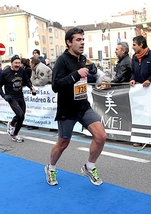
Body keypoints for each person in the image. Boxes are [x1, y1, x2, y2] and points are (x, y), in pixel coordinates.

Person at [45, 27, 107, 186]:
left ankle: (89, 166)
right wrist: (76, 74)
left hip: (83, 106)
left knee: (101, 136)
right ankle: (51, 168)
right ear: (68, 42)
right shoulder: (61, 60)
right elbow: (56, 86)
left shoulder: (83, 58)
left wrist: (97, 77)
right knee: (63, 143)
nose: (82, 43)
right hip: (67, 109)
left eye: (83, 40)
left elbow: (87, 76)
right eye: (78, 40)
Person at [0, 55, 37, 142]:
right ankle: (11, 125)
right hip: (11, 97)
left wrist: (31, 88)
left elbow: (27, 81)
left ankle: (15, 134)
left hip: (20, 96)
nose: (17, 65)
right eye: (15, 63)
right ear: (11, 63)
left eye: (19, 63)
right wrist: (4, 96)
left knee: (22, 117)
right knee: (20, 115)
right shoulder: (5, 73)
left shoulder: (22, 71)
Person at [128, 35, 151, 147]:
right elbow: (133, 71)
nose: (132, 47)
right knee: (139, 113)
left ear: (141, 44)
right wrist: (132, 79)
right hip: (139, 91)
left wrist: (150, 80)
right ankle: (140, 138)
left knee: (150, 114)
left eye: (134, 45)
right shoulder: (134, 57)